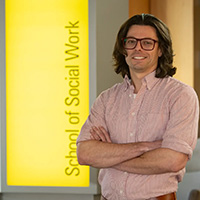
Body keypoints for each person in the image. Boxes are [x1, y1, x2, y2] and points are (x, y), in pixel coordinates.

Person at [76, 14, 199, 200]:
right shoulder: (106, 99)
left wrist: (109, 155)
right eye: (131, 42)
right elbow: (85, 154)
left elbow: (173, 160)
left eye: (147, 42)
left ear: (161, 50)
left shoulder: (180, 96)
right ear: (123, 48)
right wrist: (146, 147)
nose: (138, 48)